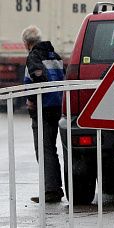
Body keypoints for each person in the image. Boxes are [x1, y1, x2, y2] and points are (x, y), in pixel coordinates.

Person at [22, 25, 65, 203]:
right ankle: (54, 188)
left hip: (43, 107)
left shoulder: (34, 56)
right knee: (51, 149)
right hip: (57, 106)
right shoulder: (54, 55)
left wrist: (32, 99)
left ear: (27, 43)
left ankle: (52, 191)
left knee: (44, 148)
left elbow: (37, 77)